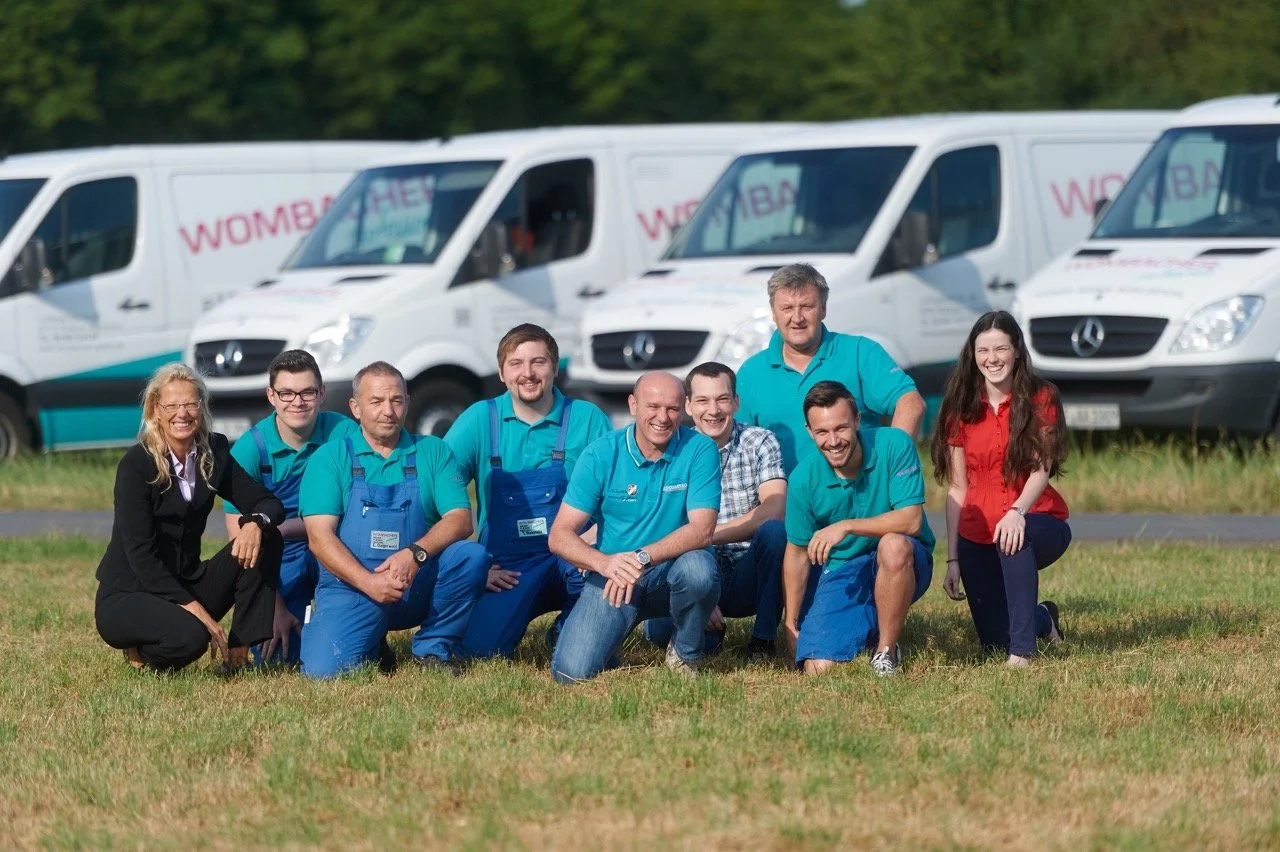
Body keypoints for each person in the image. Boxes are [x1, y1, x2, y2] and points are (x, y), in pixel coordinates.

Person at [297, 361, 489, 678]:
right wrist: (369, 583)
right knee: (324, 672)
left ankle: (433, 648)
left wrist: (416, 554)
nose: (388, 410)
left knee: (471, 556)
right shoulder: (330, 458)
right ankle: (371, 639)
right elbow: (319, 538)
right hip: (352, 586)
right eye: (376, 402)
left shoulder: (433, 451)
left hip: (416, 581)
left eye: (396, 400)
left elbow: (460, 519)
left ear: (407, 402)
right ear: (355, 408)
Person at [94, 363, 284, 673]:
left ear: (201, 407)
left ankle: (238, 653)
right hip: (130, 593)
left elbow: (269, 504)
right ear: (156, 410)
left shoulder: (215, 451)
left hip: (186, 580)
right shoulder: (136, 465)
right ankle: (141, 651)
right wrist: (200, 613)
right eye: (172, 405)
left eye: (190, 404)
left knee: (268, 537)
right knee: (192, 637)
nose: (182, 413)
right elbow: (142, 557)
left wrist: (255, 522)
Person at [444, 323, 611, 658]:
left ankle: (567, 631)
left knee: (597, 593)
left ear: (554, 367)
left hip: (573, 556)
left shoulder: (587, 418)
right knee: (479, 649)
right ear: (502, 373)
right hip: (506, 567)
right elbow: (438, 494)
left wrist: (597, 540)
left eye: (539, 362)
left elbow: (617, 492)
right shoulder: (479, 419)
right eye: (516, 364)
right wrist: (474, 567)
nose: (528, 373)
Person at [548, 372, 722, 682]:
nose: (662, 417)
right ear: (632, 405)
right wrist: (605, 563)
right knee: (569, 674)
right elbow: (559, 535)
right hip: (616, 575)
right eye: (652, 406)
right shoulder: (601, 453)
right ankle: (634, 633)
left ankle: (684, 654)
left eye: (672, 408)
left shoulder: (700, 449)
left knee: (699, 569)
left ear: (683, 408)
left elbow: (702, 530)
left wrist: (640, 557)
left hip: (671, 569)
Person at [931, 311, 1069, 667]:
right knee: (992, 640)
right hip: (978, 534)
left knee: (1014, 537)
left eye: (1000, 349)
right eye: (983, 350)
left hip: (1035, 519)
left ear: (1017, 351)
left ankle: (1022, 654)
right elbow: (957, 488)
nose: (992, 359)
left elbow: (1042, 469)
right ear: (972, 355)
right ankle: (1042, 619)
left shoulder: (1041, 397)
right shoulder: (959, 407)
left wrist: (1017, 512)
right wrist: (953, 558)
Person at [782, 380, 934, 676]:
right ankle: (867, 627)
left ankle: (886, 652)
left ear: (857, 421)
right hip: (844, 569)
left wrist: (847, 526)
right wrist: (790, 621)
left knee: (893, 544)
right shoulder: (802, 478)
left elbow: (912, 520)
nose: (833, 440)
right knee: (818, 668)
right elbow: (797, 552)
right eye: (822, 432)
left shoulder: (894, 444)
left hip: (904, 561)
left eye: (841, 428)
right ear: (809, 432)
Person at [642, 362, 786, 660]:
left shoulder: (760, 441)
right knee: (665, 637)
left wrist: (705, 535)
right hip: (696, 565)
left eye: (722, 399)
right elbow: (662, 524)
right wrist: (700, 588)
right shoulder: (672, 448)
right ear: (688, 405)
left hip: (747, 566)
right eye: (703, 401)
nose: (713, 410)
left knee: (775, 532)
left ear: (736, 402)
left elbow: (773, 508)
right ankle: (700, 619)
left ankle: (764, 639)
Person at [223, 349, 357, 665]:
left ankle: (356, 628)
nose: (297, 402)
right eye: (286, 393)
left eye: (307, 392)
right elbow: (240, 543)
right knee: (277, 655)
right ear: (271, 395)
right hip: (278, 560)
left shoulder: (345, 434)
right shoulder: (249, 449)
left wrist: (282, 527)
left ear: (322, 393)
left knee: (347, 647)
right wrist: (273, 607)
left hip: (336, 546)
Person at [736, 262, 926, 473]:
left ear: (823, 309)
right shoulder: (751, 373)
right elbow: (736, 444)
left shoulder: (859, 352)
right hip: (788, 501)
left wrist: (890, 469)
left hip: (860, 497)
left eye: (807, 307)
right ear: (773, 312)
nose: (797, 318)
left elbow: (911, 403)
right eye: (787, 308)